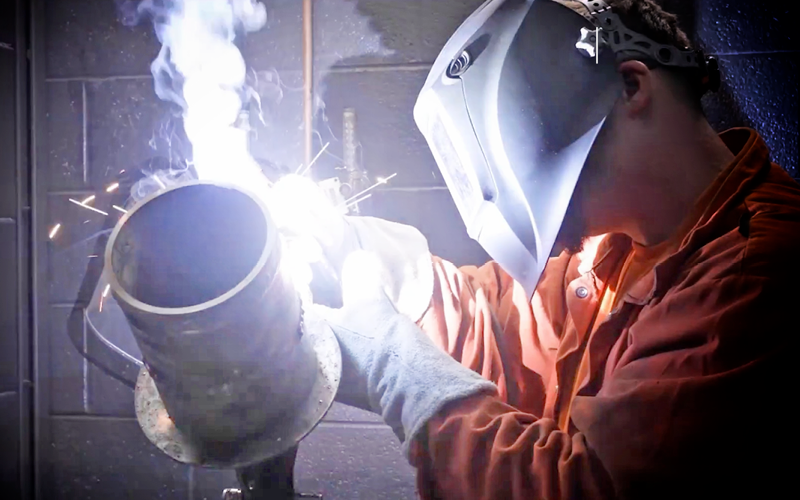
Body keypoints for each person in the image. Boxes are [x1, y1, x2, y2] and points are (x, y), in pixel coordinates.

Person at [305, 0, 799, 498]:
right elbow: (508, 331)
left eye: (569, 187)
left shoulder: (754, 274)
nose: (563, 234)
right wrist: (380, 265)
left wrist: (396, 367)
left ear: (632, 85)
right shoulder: (616, 242)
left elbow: (584, 488)